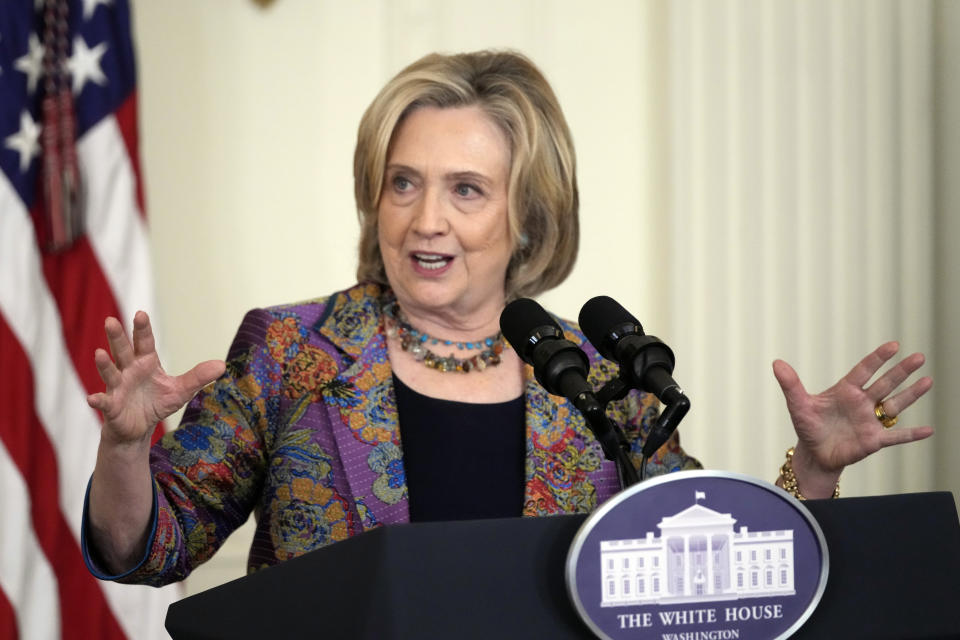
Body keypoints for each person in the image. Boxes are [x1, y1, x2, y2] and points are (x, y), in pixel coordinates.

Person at [83, 50, 933, 586]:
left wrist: (814, 474)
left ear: (526, 215)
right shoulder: (289, 351)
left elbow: (699, 574)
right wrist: (125, 450)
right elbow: (147, 549)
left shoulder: (598, 377)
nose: (425, 220)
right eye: (403, 181)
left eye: (466, 190)